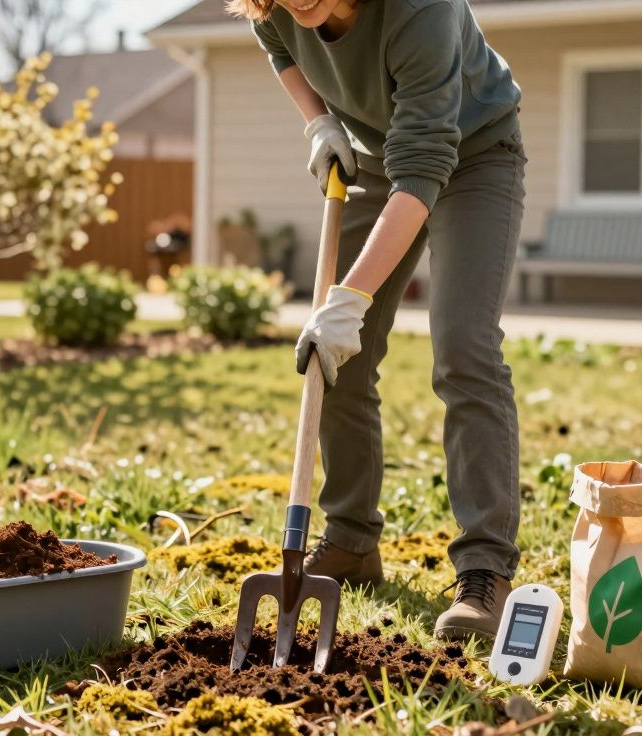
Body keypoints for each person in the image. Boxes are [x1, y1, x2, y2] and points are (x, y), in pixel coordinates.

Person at [227, 0, 527, 642]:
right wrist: (318, 123)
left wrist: (350, 300)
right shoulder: (273, 5)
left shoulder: (420, 9)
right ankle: (351, 541)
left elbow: (423, 166)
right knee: (336, 356)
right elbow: (280, 49)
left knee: (464, 347)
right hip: (377, 154)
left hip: (474, 153)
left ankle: (484, 569)